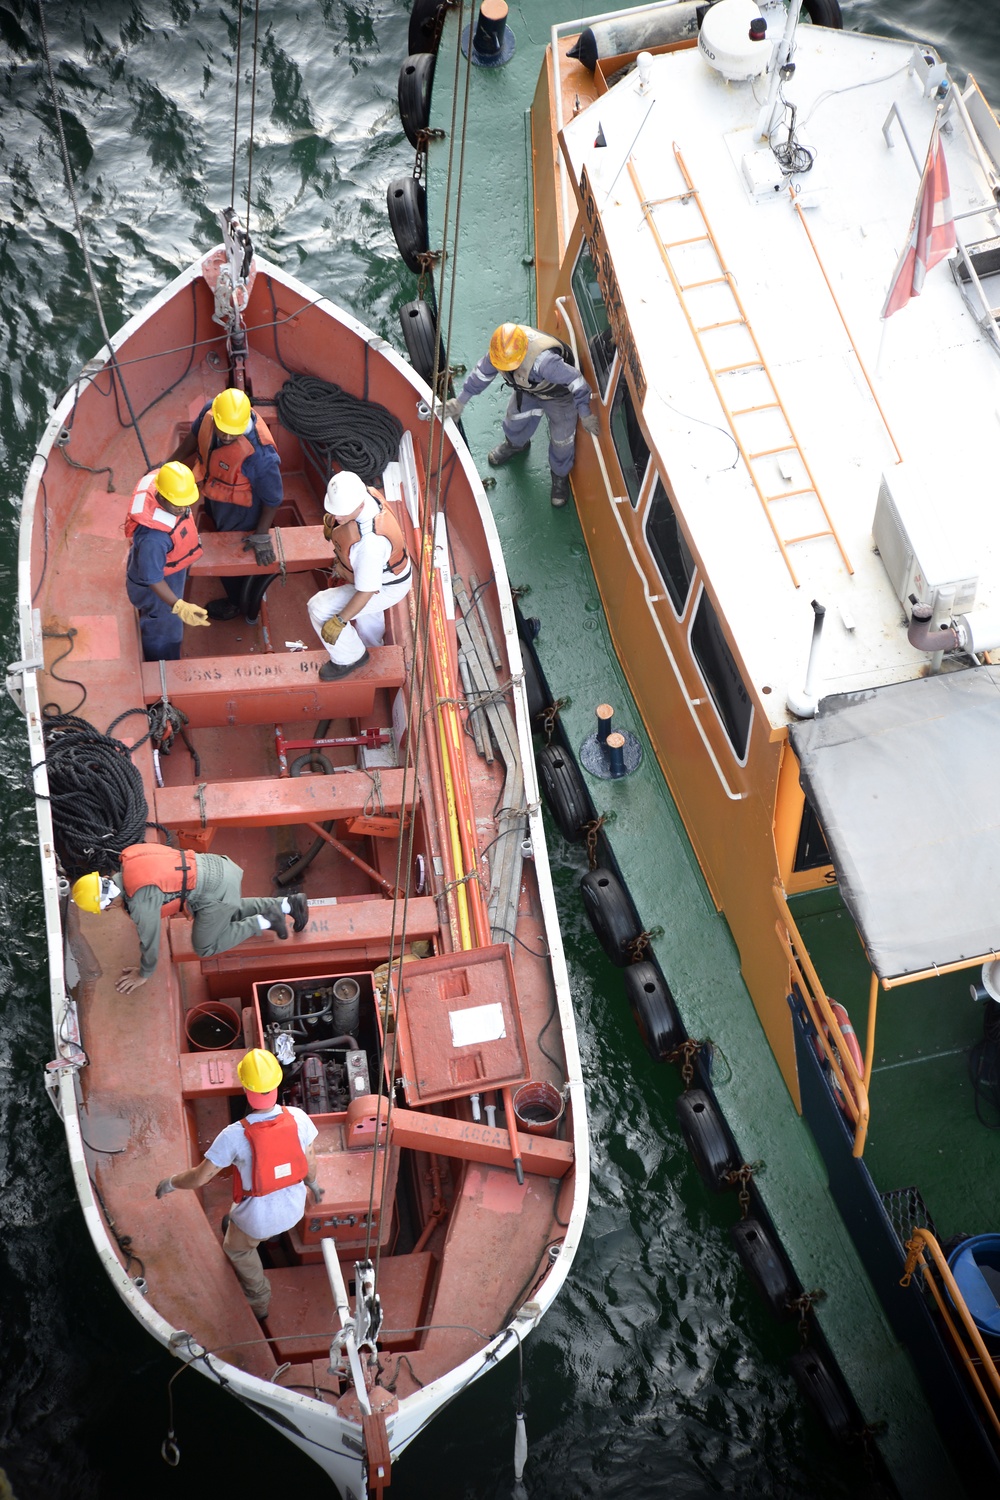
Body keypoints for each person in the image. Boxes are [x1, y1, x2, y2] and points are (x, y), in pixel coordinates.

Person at [154, 1049, 322, 1321]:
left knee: (238, 1248)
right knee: (246, 1225)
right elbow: (310, 1163)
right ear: (277, 1084)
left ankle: (260, 1300)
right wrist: (313, 1185)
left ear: (245, 1089)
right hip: (294, 1211)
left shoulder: (233, 1135)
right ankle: (269, 1238)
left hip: (256, 1221)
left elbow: (200, 1177)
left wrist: (171, 1183)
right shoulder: (299, 1118)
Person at [70, 846, 309, 994]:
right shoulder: (130, 860)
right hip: (219, 865)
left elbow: (150, 943)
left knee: (204, 946)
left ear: (107, 904)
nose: (110, 910)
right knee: (225, 912)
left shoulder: (140, 904)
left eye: (106, 908)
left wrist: (143, 974)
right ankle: (289, 904)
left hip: (215, 892)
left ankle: (267, 920)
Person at [442, 322, 599, 507]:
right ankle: (515, 445)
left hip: (559, 397)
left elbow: (577, 382)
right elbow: (481, 375)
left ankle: (559, 476)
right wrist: (460, 401)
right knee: (515, 419)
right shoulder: (501, 351)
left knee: (562, 440)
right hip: (528, 390)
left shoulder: (546, 363)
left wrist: (585, 413)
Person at [175, 387, 283, 622]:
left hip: (241, 510)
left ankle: (236, 600)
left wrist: (262, 533)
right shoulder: (213, 410)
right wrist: (169, 464)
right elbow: (195, 437)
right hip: (215, 492)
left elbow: (273, 498)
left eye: (232, 434)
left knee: (232, 548)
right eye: (222, 431)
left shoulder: (261, 456)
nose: (225, 437)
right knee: (217, 522)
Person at [306, 470, 413, 681]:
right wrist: (337, 519)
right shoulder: (365, 494)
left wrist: (339, 620)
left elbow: (366, 591)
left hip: (385, 586)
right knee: (366, 613)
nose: (337, 517)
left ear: (359, 506)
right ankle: (373, 643)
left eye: (341, 512)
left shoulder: (369, 544)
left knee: (319, 608)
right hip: (389, 575)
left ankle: (351, 657)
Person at [124, 461, 210, 661]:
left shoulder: (163, 485)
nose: (182, 509)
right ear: (160, 496)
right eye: (176, 504)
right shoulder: (154, 539)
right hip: (155, 583)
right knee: (164, 628)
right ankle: (161, 662)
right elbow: (152, 579)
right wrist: (179, 606)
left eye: (185, 503)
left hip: (160, 563)